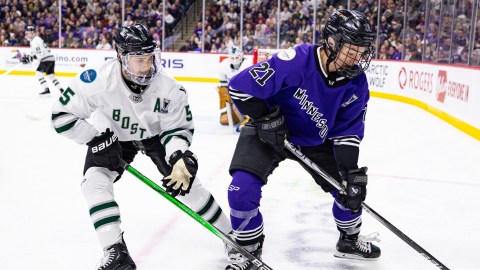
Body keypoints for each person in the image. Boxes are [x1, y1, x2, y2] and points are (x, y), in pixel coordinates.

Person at [51, 24, 234, 270]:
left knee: (186, 184)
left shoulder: (169, 88)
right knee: (94, 182)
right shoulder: (97, 79)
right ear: (121, 57)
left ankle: (232, 237)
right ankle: (116, 252)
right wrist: (94, 139)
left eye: (149, 58)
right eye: (138, 60)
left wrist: (179, 154)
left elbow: (177, 128)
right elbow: (61, 115)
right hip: (112, 136)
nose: (146, 66)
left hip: (156, 136)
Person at [225, 10, 380, 269]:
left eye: (361, 51)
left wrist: (349, 172)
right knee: (241, 189)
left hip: (315, 140)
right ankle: (248, 250)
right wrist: (266, 118)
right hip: (268, 131)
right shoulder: (295, 61)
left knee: (349, 188)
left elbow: (347, 133)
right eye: (351, 49)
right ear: (332, 42)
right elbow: (239, 86)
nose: (358, 57)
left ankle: (349, 240)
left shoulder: (356, 84)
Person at [21, 25, 64, 96]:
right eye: (27, 33)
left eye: (29, 33)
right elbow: (34, 53)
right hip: (51, 58)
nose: (28, 34)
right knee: (50, 76)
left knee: (38, 74)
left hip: (46, 59)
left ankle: (46, 90)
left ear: (33, 33)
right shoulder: (35, 40)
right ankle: (61, 89)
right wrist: (28, 57)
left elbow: (39, 54)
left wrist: (29, 59)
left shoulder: (35, 41)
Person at [217, 46, 251, 130]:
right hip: (234, 92)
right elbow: (223, 84)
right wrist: (225, 93)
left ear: (241, 55)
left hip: (249, 91)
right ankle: (243, 121)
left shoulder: (249, 64)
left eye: (237, 57)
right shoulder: (223, 65)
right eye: (232, 57)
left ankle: (251, 119)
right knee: (234, 106)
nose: (235, 60)